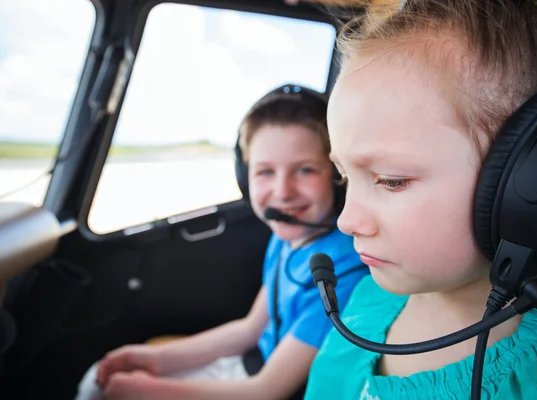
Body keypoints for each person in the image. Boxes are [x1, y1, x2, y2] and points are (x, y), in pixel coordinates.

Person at [304, 1, 537, 399]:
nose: (346, 220)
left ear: (535, 176)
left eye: (391, 181)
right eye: (344, 175)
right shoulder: (366, 301)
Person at [75, 84, 368, 400]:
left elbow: (267, 390)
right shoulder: (288, 239)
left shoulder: (339, 272)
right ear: (245, 177)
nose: (283, 191)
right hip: (249, 366)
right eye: (265, 171)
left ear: (338, 176)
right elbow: (249, 329)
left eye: (305, 170)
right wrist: (153, 360)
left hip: (264, 387)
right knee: (98, 378)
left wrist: (142, 390)